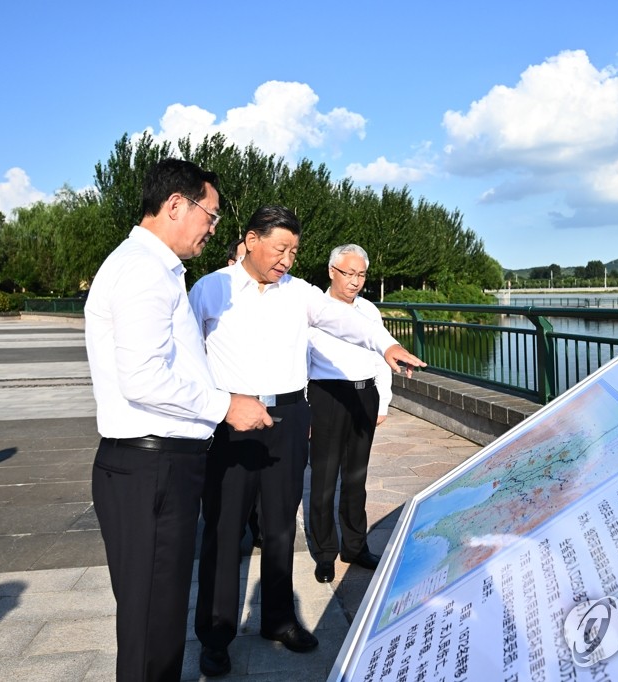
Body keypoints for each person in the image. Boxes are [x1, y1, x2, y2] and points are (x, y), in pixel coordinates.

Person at [189, 205, 424, 677]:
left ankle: (278, 619)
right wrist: (209, 409)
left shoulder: (299, 293)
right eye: (281, 248)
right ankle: (215, 635)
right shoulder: (211, 288)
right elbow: (187, 351)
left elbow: (345, 320)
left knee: (279, 527)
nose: (288, 259)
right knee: (223, 528)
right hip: (231, 416)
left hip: (290, 415)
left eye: (295, 251)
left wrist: (386, 345)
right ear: (251, 240)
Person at [84, 158, 272, 681]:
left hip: (159, 465)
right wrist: (225, 406)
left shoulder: (153, 267)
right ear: (174, 205)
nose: (213, 229)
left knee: (160, 618)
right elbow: (142, 377)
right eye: (209, 215)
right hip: (152, 467)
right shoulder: (144, 270)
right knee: (152, 627)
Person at [307, 244, 393, 583]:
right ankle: (325, 553)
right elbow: (301, 362)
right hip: (326, 396)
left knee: (356, 478)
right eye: (349, 273)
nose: (355, 281)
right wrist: (305, 409)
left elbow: (381, 358)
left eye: (361, 274)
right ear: (332, 271)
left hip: (364, 395)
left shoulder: (369, 310)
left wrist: (382, 402)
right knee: (324, 480)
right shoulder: (314, 309)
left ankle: (355, 547)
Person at [226, 236, 264, 551]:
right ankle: (233, 536)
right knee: (233, 483)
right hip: (228, 408)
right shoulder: (214, 295)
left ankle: (260, 529)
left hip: (267, 407)